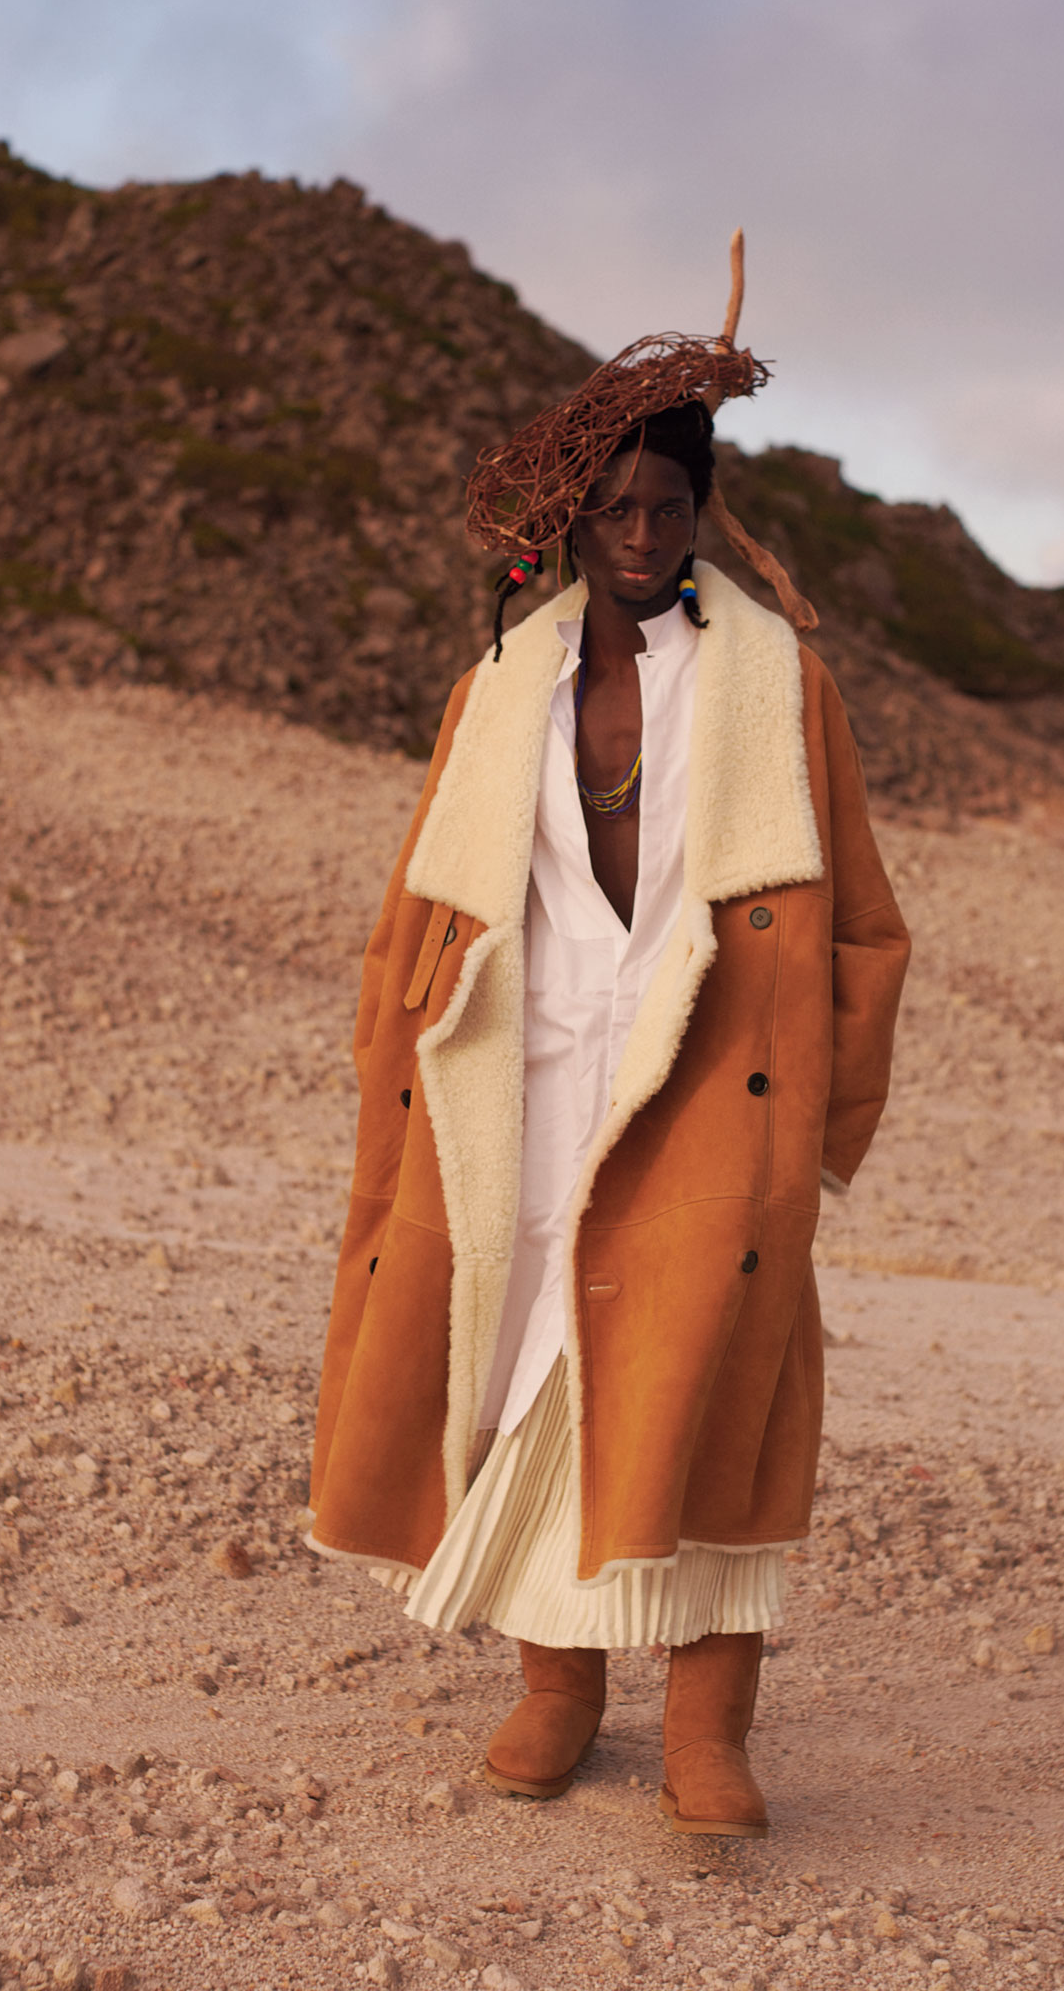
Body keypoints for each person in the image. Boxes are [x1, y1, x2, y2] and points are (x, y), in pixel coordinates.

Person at [306, 282, 909, 1838]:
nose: (642, 536)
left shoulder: (782, 687)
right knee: (520, 1364)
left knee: (714, 1379)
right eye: (616, 508)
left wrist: (820, 1133)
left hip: (710, 1075)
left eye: (669, 508)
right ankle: (558, 1689)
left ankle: (709, 1726)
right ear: (569, 519)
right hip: (519, 1071)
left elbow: (861, 924)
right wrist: (388, 1080)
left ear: (705, 515)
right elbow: (416, 915)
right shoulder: (500, 688)